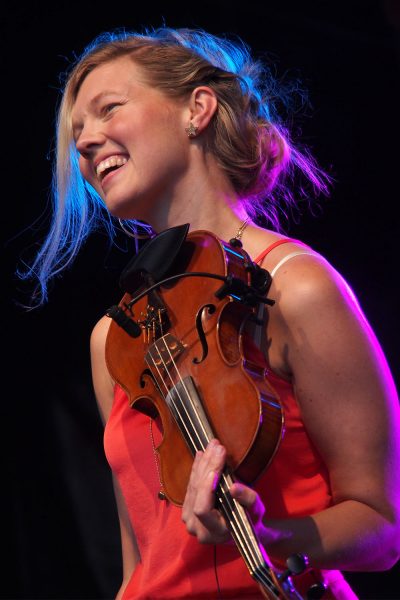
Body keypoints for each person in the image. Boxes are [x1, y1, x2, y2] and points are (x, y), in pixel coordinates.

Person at [24, 27, 400, 599]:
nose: (86, 142)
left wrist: (270, 535)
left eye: (109, 110)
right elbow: (141, 565)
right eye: (78, 134)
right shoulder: (114, 340)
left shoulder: (293, 286)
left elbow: (381, 526)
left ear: (196, 110)